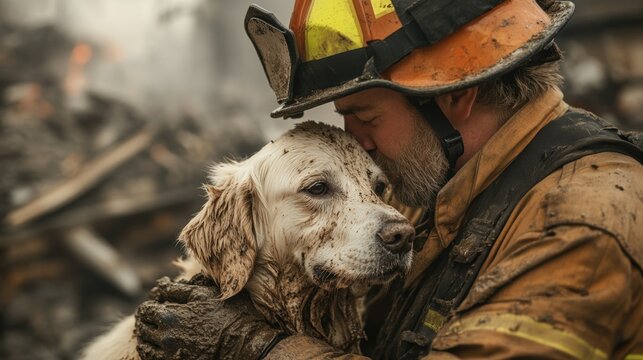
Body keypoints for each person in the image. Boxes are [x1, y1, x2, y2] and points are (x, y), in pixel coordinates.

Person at [134, 0, 643, 359]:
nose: (356, 141)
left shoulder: (581, 221)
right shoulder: (445, 184)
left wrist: (257, 348)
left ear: (453, 97)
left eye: (365, 116)